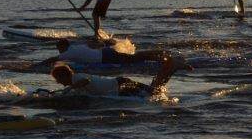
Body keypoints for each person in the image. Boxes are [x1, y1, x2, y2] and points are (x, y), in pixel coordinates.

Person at [50, 56, 185, 98]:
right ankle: (171, 67)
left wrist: (69, 89)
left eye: (58, 79)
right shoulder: (76, 79)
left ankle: (172, 66)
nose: (58, 82)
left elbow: (86, 81)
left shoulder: (77, 78)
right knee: (155, 90)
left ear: (64, 76)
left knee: (154, 92)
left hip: (122, 86)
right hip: (121, 84)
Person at [41, 38, 191, 69]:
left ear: (63, 46)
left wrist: (37, 65)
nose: (58, 50)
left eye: (58, 48)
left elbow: (53, 59)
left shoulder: (68, 53)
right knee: (133, 58)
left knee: (134, 59)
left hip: (106, 56)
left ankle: (161, 56)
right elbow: (91, 45)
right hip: (105, 52)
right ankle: (159, 55)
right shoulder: (76, 47)